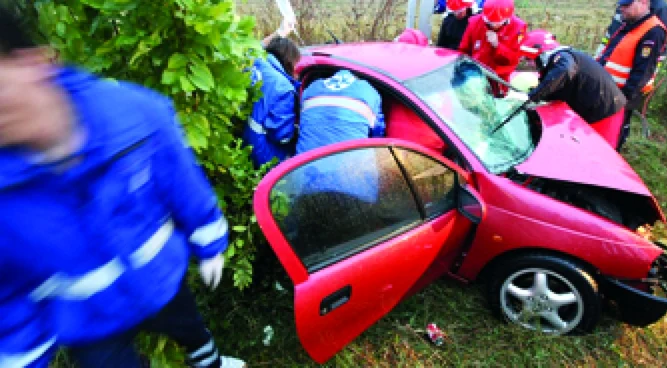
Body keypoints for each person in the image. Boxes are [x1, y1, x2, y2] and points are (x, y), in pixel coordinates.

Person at [0, 8, 243, 368]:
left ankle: (211, 363)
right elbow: (8, 291)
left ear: (33, 63)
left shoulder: (131, 114)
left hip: (161, 280)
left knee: (193, 332)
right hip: (90, 322)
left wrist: (209, 240)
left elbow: (182, 182)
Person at [520, 30, 627, 131]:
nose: (528, 64)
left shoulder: (562, 59)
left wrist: (531, 97)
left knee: (598, 148)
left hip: (606, 112)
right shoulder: (561, 59)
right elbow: (555, 89)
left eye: (529, 59)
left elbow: (564, 71)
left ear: (541, 54)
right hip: (595, 108)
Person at [596, 0, 667, 149]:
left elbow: (642, 73)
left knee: (614, 135)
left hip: (621, 96)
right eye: (621, 5)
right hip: (607, 91)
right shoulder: (629, 23)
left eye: (627, 5)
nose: (622, 9)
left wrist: (622, 99)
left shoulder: (653, 31)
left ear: (643, 2)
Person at [243, 26, 300, 168]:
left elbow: (256, 46)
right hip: (258, 150)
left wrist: (280, 31)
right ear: (289, 61)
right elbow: (282, 137)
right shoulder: (283, 89)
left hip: (240, 136)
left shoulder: (253, 59)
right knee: (296, 163)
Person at [296, 69, 384, 154]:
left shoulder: (312, 87)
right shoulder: (369, 91)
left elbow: (302, 121)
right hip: (348, 164)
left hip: (303, 164)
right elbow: (378, 133)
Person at [458, 0, 527, 95]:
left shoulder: (518, 28)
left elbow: (513, 59)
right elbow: (463, 50)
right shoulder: (474, 22)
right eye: (489, 22)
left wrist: (497, 45)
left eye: (497, 22)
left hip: (500, 79)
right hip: (476, 75)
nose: (493, 25)